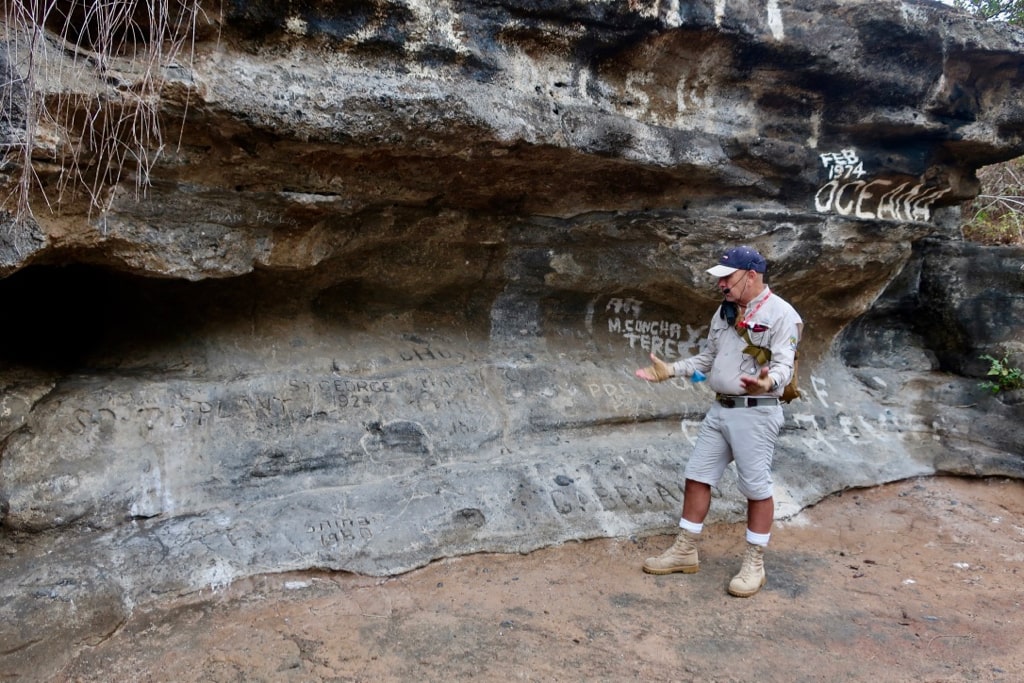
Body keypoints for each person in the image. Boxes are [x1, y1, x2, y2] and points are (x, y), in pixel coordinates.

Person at [635, 245, 802, 597]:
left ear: (751, 275)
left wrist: (768, 381)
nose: (721, 285)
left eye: (727, 278)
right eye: (720, 278)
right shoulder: (725, 312)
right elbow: (709, 357)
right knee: (697, 476)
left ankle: (754, 563)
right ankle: (685, 550)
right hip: (721, 409)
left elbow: (785, 364)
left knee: (756, 487)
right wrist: (673, 371)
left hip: (756, 410)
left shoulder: (782, 313)